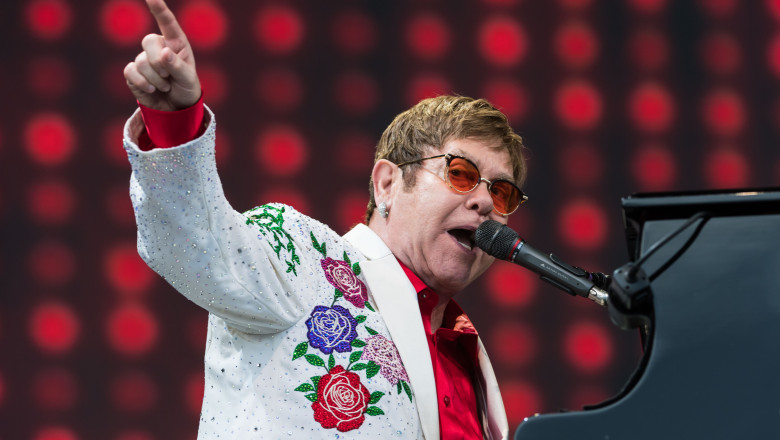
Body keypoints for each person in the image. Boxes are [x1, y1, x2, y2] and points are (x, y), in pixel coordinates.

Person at [122, 0, 528, 438]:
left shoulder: (466, 353)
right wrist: (175, 122)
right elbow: (197, 246)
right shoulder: (303, 258)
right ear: (387, 184)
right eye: (461, 174)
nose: (484, 201)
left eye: (501, 192)